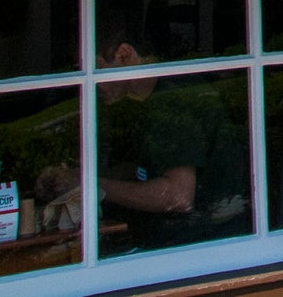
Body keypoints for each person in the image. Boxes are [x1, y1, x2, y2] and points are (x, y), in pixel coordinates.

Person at [38, 21, 251, 253]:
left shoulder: (173, 100)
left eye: (96, 68)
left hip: (201, 242)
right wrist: (81, 178)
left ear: (124, 54)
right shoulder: (151, 97)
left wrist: (89, 185)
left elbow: (177, 197)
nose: (90, 83)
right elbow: (148, 168)